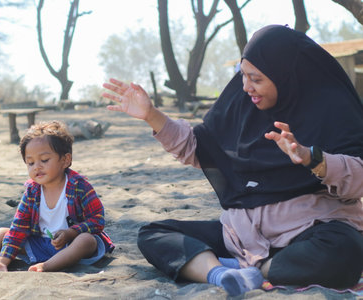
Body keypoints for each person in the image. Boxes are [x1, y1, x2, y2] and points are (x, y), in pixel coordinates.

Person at [102, 25, 363, 296]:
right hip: (242, 235)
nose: (246, 86)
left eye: (257, 79)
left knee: (345, 251)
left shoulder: (332, 110)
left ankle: (254, 271)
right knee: (154, 234)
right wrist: (151, 115)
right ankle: (222, 273)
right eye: (243, 75)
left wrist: (313, 159)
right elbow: (197, 148)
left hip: (309, 230)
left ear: (286, 75)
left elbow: (358, 182)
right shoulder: (241, 104)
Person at [0, 120, 114, 272]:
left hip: (71, 247)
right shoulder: (32, 191)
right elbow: (19, 227)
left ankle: (46, 267)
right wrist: (3, 262)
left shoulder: (79, 186)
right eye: (30, 162)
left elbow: (97, 220)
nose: (37, 167)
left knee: (87, 240)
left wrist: (71, 232)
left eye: (44, 160)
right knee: (1, 233)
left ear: (65, 160)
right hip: (39, 244)